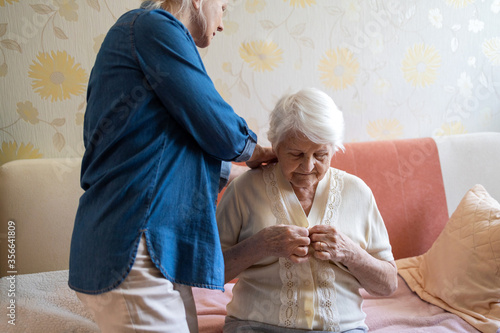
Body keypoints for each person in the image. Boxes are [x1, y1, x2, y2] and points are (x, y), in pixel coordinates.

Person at [68, 1, 275, 332]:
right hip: (133, 247)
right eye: (222, 7)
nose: (221, 23)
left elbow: (160, 149)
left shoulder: (139, 37)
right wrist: (255, 151)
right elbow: (210, 117)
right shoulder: (153, 26)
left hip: (143, 248)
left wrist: (238, 173)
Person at [217, 88, 398, 333]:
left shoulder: (358, 192)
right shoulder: (243, 189)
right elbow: (210, 274)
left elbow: (388, 284)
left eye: (321, 154)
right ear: (276, 146)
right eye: (296, 154)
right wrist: (261, 245)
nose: (308, 165)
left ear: (334, 149)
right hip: (256, 326)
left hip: (343, 329)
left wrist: (349, 252)